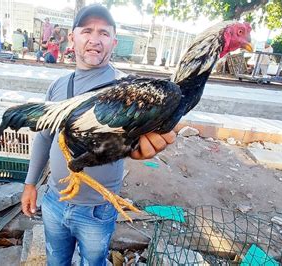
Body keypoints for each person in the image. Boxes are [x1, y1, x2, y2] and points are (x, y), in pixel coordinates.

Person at [21, 4, 176, 265]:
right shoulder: (58, 87)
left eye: (103, 33)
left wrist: (140, 145)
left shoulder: (132, 92)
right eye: (87, 31)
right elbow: (45, 138)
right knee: (55, 261)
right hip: (54, 202)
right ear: (72, 38)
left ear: (114, 41)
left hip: (97, 210)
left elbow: (145, 139)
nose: (95, 39)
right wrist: (29, 184)